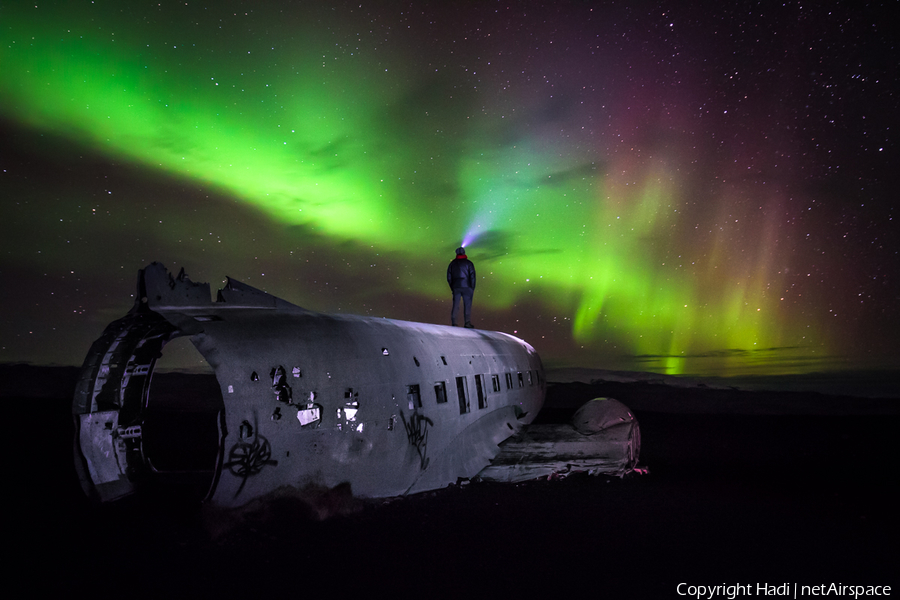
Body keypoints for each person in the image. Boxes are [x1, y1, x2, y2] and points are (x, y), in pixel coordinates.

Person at [447, 246, 476, 328]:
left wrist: (452, 287)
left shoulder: (452, 264)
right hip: (467, 286)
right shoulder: (469, 263)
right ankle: (467, 323)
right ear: (464, 253)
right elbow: (472, 276)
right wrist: (472, 287)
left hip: (456, 287)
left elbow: (449, 277)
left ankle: (454, 323)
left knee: (456, 305)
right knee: (467, 305)